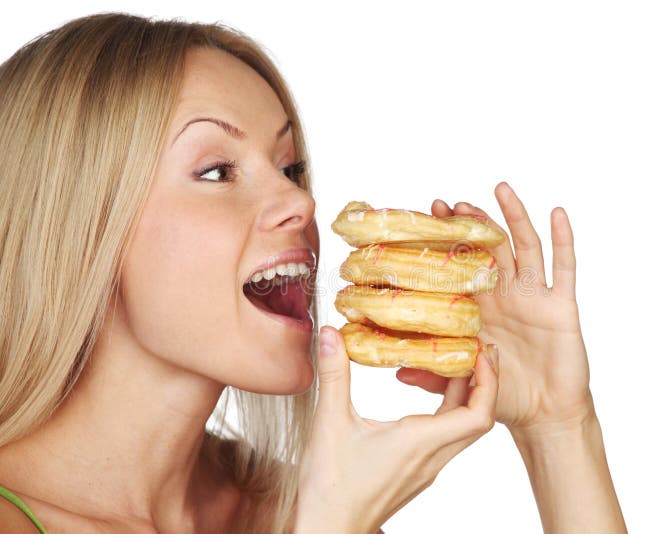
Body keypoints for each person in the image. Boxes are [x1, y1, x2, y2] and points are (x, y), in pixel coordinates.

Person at [0, 12, 627, 534]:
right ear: (78, 227)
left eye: (291, 168)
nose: (302, 204)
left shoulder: (285, 508)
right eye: (217, 171)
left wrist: (558, 428)